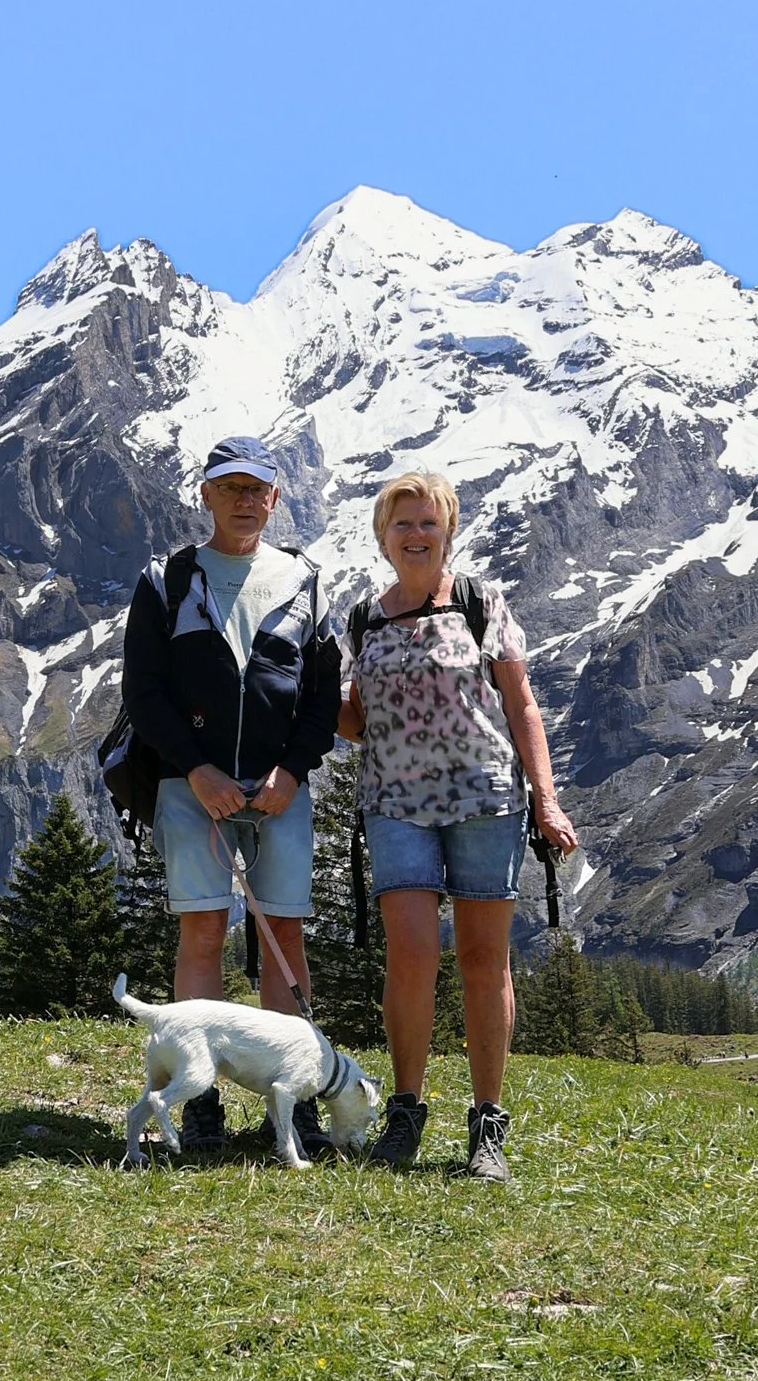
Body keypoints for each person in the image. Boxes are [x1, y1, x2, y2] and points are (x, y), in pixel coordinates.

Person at [338, 470, 578, 1177]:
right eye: (402, 524)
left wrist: (547, 798)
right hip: (395, 806)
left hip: (487, 802)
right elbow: (357, 721)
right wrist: (314, 695)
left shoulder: (483, 603)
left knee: (483, 962)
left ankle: (486, 1126)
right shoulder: (364, 620)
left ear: (448, 531)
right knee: (409, 955)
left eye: (428, 523)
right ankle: (405, 1110)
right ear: (383, 537)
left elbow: (522, 706)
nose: (416, 535)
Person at [121, 436, 342, 1154]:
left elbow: (321, 695)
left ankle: (298, 1098)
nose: (245, 501)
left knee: (283, 934)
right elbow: (144, 693)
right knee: (203, 931)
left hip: (282, 790)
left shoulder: (307, 582)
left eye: (258, 490)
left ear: (276, 499)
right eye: (231, 488)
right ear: (206, 494)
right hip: (193, 788)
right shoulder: (165, 579)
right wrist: (194, 768)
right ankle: (202, 1103)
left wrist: (294, 770)